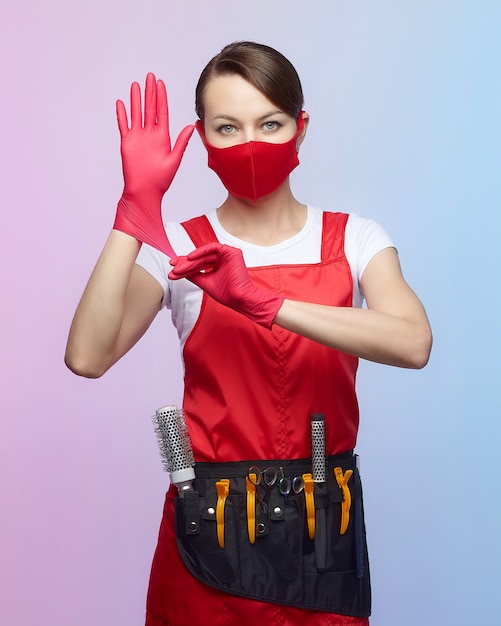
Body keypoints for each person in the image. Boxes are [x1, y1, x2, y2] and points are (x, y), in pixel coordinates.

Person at [65, 41, 432, 626]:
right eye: (227, 127)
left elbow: (413, 343)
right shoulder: (180, 249)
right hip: (206, 531)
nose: (250, 143)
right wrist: (134, 212)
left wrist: (264, 301)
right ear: (203, 139)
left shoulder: (357, 239)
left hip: (322, 532)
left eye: (270, 123)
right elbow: (86, 355)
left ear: (300, 127)